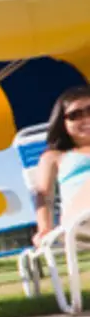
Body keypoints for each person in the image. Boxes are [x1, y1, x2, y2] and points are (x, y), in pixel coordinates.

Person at [33, 85, 90, 245]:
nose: (86, 119)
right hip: (81, 221)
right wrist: (44, 229)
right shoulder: (55, 156)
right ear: (62, 122)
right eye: (75, 115)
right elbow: (43, 195)